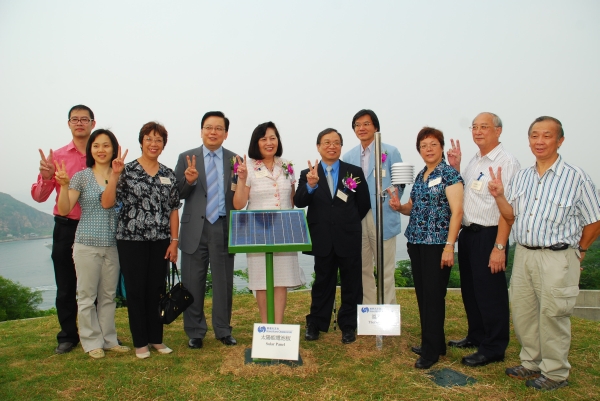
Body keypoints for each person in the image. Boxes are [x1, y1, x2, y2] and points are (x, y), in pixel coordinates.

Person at [488, 116, 600, 391]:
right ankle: (531, 362)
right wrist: (500, 196)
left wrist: (580, 250)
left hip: (558, 257)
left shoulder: (576, 177)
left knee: (553, 314)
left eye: (547, 136)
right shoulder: (523, 177)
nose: (540, 141)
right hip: (525, 253)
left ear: (560, 141)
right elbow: (510, 216)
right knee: (524, 312)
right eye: (535, 135)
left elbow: (594, 220)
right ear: (529, 141)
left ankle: (555, 372)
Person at [445, 112, 520, 367]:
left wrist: (499, 246)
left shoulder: (506, 162)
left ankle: (494, 347)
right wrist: (456, 169)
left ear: (498, 131)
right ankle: (476, 335)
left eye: (484, 127)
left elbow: (507, 209)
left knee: (491, 293)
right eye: (474, 127)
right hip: (469, 234)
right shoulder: (475, 160)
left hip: (490, 234)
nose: (477, 131)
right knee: (472, 290)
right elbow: (468, 194)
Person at [102, 122, 180, 359]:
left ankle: (156, 338)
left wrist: (174, 241)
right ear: (141, 141)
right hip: (131, 239)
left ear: (163, 145)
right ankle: (140, 343)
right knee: (135, 291)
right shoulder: (125, 170)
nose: (153, 144)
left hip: (160, 240)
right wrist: (114, 176)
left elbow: (174, 209)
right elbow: (107, 203)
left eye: (158, 140)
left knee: (156, 289)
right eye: (149, 139)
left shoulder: (168, 174)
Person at [388, 127, 463, 369]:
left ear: (441, 147)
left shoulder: (450, 174)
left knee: (433, 297)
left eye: (433, 144)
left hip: (437, 244)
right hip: (417, 242)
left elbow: (457, 212)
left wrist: (450, 245)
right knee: (424, 295)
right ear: (419, 150)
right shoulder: (421, 175)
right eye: (423, 146)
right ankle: (435, 343)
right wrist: (399, 207)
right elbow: (413, 206)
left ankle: (430, 353)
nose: (428, 149)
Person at [55, 129, 131, 358]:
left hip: (112, 245)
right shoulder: (81, 176)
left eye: (106, 145)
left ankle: (109, 339)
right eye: (96, 145)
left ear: (114, 148)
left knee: (108, 296)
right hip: (86, 243)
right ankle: (91, 342)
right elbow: (66, 209)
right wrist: (63, 186)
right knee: (86, 296)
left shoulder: (122, 176)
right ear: (90, 149)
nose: (101, 150)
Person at [294, 128, 370, 344]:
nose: (331, 146)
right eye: (326, 142)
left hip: (348, 236)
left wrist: (348, 222)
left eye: (336, 142)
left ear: (341, 146)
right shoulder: (307, 173)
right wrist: (310, 185)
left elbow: (363, 204)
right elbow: (299, 201)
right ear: (318, 147)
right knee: (322, 282)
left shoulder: (353, 172)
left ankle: (348, 325)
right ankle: (316, 323)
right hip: (322, 238)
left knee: (352, 283)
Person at [31, 104, 96, 354]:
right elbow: (38, 196)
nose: (80, 123)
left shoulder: (101, 152)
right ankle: (68, 335)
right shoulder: (56, 157)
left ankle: (98, 333)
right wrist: (47, 177)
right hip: (66, 226)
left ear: (93, 122)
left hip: (95, 226)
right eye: (74, 119)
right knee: (66, 284)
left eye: (84, 119)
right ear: (68, 123)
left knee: (97, 285)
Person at [174, 111, 238, 349]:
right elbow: (176, 194)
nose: (213, 132)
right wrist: (189, 181)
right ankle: (195, 331)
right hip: (194, 229)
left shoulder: (235, 160)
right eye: (209, 127)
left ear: (226, 133)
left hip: (222, 225)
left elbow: (238, 195)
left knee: (223, 282)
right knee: (192, 281)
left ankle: (223, 330)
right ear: (201, 131)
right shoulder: (185, 157)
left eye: (218, 128)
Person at [232, 122, 306, 323]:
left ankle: (279, 327)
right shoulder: (246, 167)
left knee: (281, 281)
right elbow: (238, 204)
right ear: (256, 142)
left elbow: (292, 199)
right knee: (262, 281)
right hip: (257, 232)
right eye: (263, 138)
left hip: (284, 230)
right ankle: (266, 327)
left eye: (273, 137)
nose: (269, 142)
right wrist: (241, 179)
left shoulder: (286, 165)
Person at [342, 109, 403, 305]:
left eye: (366, 124)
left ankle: (387, 314)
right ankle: (368, 313)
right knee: (363, 268)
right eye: (357, 125)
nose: (362, 128)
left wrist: (394, 197)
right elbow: (345, 187)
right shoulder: (349, 155)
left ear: (375, 127)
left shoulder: (390, 151)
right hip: (358, 219)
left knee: (385, 269)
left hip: (383, 215)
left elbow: (399, 182)